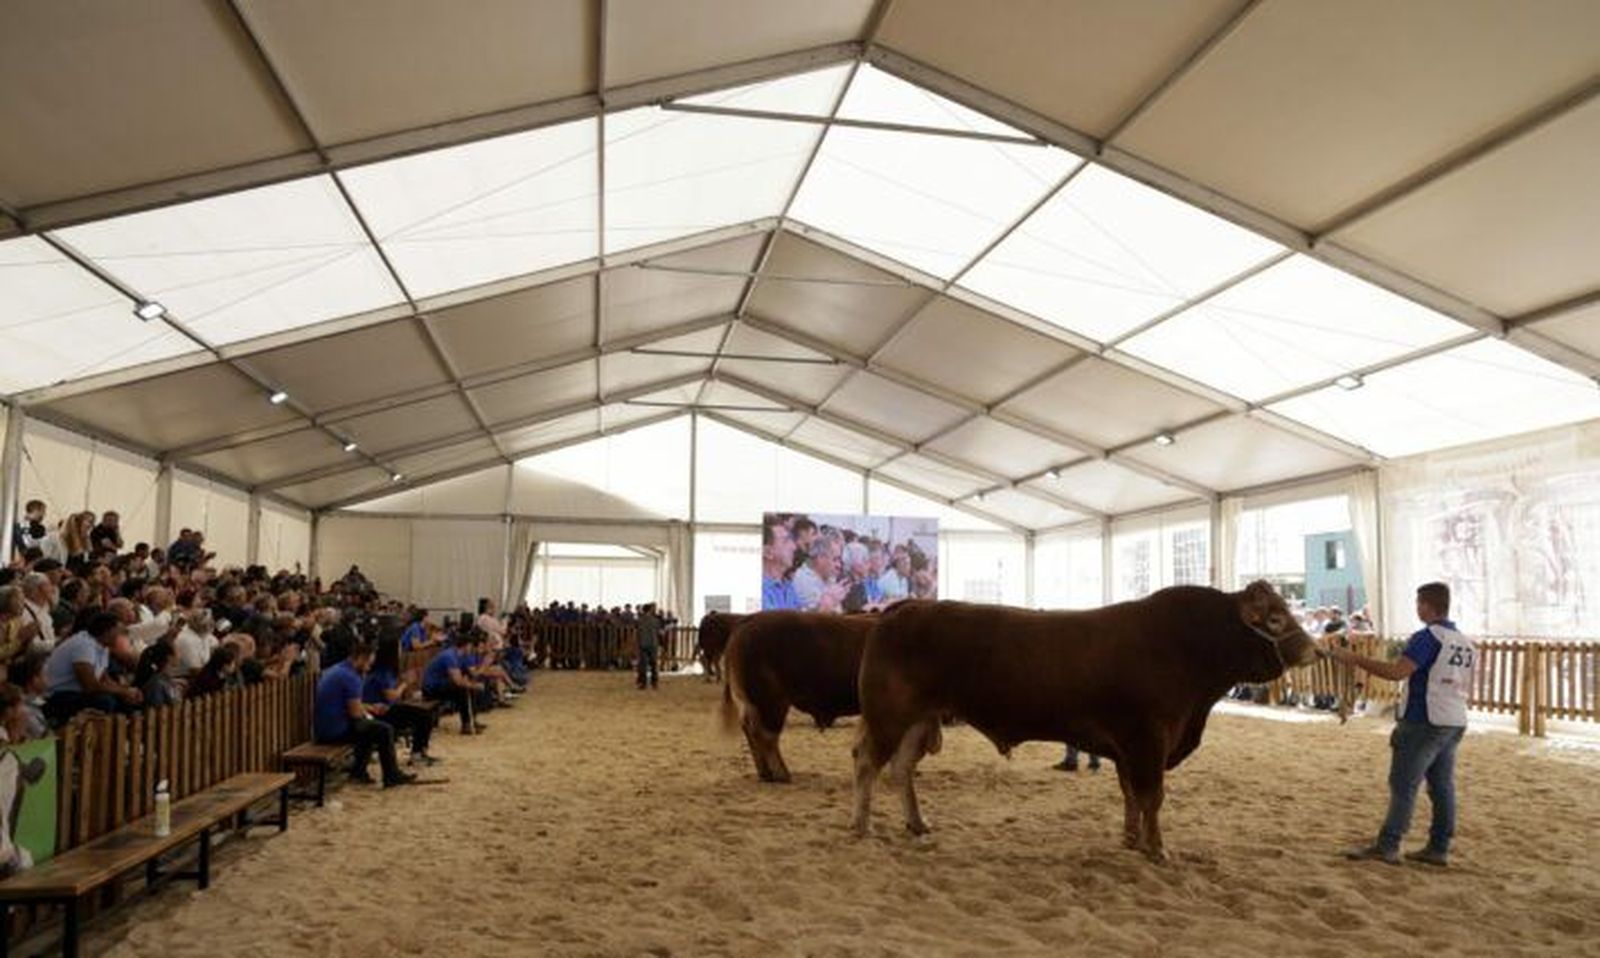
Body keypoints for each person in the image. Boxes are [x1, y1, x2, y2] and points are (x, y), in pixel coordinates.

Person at [1330, 582, 1474, 867]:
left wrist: (1354, 659)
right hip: (1454, 718)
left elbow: (1397, 673)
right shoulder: (1464, 642)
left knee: (1404, 784)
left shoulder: (1427, 637)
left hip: (1424, 718)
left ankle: (1389, 844)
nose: (1417, 608)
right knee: (1442, 785)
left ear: (1427, 605)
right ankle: (1439, 846)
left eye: (1419, 603)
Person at [312, 641, 414, 788]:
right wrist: (370, 713)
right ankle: (391, 776)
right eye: (368, 663)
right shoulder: (350, 677)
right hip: (334, 731)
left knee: (370, 728)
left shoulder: (339, 669)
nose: (370, 667)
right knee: (384, 730)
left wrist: (371, 708)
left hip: (325, 727)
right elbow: (355, 713)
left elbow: (349, 704)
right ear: (360, 658)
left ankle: (359, 772)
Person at [42, 611, 142, 723]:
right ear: (108, 631)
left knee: (127, 701)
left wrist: (127, 691)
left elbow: (104, 679)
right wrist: (122, 692)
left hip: (77, 693)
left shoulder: (103, 646)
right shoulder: (83, 644)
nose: (122, 635)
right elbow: (90, 685)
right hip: (58, 695)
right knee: (105, 701)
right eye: (119, 631)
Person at [363, 639, 437, 766]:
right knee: (424, 716)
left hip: (386, 708)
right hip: (379, 713)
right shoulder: (382, 671)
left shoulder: (387, 670)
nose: (401, 651)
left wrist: (403, 679)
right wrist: (405, 683)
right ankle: (417, 754)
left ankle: (420, 752)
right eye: (399, 648)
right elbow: (392, 697)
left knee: (424, 714)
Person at [421, 634, 487, 734]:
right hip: (431, 688)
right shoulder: (449, 656)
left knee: (470, 689)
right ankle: (466, 725)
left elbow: (473, 674)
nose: (472, 648)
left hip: (444, 685)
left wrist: (485, 664)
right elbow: (458, 681)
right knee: (463, 689)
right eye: (470, 646)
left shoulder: (462, 656)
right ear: (466, 645)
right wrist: (474, 685)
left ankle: (472, 721)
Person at [761, 519, 801, 611]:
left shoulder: (787, 585)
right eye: (785, 541)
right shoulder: (760, 591)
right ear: (767, 552)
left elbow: (799, 617)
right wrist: (824, 608)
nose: (794, 547)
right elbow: (778, 625)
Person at [635, 603, 661, 690]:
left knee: (643, 665)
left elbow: (637, 633)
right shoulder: (655, 620)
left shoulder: (640, 620)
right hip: (653, 644)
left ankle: (643, 683)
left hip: (643, 644)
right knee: (653, 664)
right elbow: (658, 632)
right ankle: (654, 683)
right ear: (650, 610)